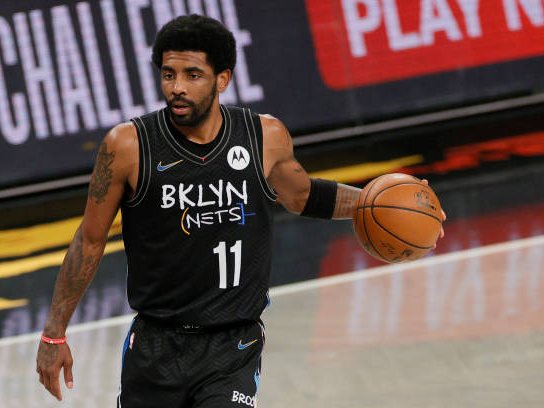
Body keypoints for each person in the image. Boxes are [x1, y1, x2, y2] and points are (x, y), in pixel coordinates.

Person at [36, 14, 443, 407]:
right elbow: (89, 240)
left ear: (222, 79)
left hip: (234, 344)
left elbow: (302, 195)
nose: (177, 87)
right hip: (157, 346)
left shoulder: (263, 136)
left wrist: (381, 204)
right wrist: (54, 334)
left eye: (192, 75)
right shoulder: (128, 146)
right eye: (168, 74)